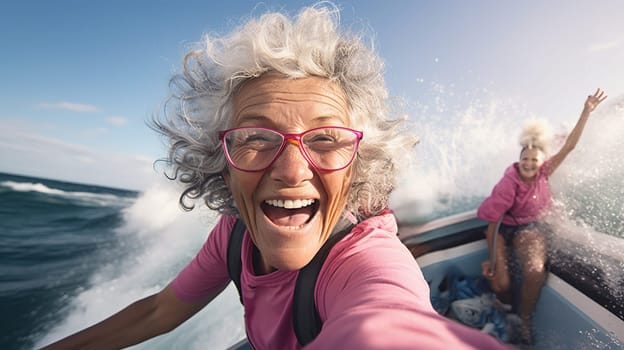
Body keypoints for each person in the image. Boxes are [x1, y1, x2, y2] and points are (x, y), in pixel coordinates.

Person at [42, 3, 510, 349]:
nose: (290, 170)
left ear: (358, 166)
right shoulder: (234, 234)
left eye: (325, 139)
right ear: (221, 164)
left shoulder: (366, 263)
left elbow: (389, 322)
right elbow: (160, 310)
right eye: (256, 138)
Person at [477, 88, 607, 344]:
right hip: (503, 229)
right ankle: (505, 310)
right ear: (519, 159)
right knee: (499, 283)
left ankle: (523, 320)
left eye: (534, 159)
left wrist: (586, 112)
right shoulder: (509, 183)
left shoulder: (545, 171)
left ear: (541, 161)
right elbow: (492, 225)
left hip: (530, 228)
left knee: (535, 270)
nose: (529, 163)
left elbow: (569, 146)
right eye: (525, 158)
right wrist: (492, 259)